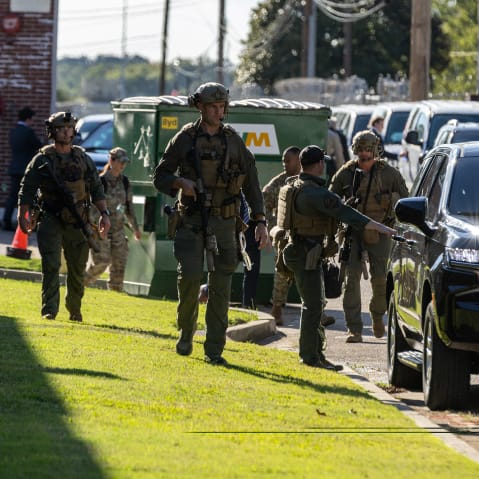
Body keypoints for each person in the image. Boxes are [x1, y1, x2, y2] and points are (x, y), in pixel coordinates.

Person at [153, 82, 268, 365]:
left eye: (222, 107)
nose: (219, 112)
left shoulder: (233, 141)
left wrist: (260, 220)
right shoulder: (185, 139)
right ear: (201, 108)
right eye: (213, 107)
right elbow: (161, 176)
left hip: (226, 223)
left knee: (221, 285)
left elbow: (252, 182)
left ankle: (214, 348)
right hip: (192, 220)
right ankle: (186, 331)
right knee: (190, 278)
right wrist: (181, 183)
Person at [278, 145, 396, 370]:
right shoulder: (315, 192)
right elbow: (347, 214)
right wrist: (381, 227)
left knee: (315, 304)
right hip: (306, 253)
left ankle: (316, 354)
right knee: (313, 306)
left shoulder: (295, 184)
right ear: (320, 164)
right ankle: (310, 356)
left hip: (299, 250)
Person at [17, 111, 111, 322]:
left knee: (77, 268)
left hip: (79, 219)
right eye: (61, 128)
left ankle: (74, 308)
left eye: (69, 128)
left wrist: (104, 214)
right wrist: (22, 213)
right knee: (51, 265)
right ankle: (49, 309)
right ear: (52, 131)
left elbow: (96, 188)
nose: (66, 132)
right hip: (50, 217)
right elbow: (27, 188)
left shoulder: (83, 158)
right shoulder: (42, 159)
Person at [329, 130, 409, 343]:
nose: (364, 157)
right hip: (352, 233)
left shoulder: (389, 174)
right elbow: (330, 199)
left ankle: (377, 315)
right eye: (360, 152)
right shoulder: (346, 173)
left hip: (381, 231)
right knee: (351, 280)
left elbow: (406, 200)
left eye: (368, 152)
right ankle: (354, 328)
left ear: (376, 151)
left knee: (381, 280)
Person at [84, 147, 141, 291]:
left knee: (119, 263)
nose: (123, 165)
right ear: (111, 161)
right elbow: (91, 208)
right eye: (120, 162)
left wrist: (135, 228)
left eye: (125, 162)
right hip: (101, 230)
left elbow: (129, 208)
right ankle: (79, 284)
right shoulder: (100, 182)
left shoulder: (125, 182)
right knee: (101, 263)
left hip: (118, 231)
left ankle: (116, 291)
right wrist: (94, 228)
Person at [262, 146, 301, 325]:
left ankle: (319, 312)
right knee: (282, 273)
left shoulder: (308, 180)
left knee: (312, 273)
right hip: (285, 236)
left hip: (306, 233)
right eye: (283, 161)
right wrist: (273, 227)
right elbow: (265, 204)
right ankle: (277, 308)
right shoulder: (279, 183)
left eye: (288, 160)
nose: (284, 164)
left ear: (299, 161)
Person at [2, 107, 43, 231]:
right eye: (32, 119)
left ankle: (6, 221)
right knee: (31, 196)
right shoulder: (28, 132)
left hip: (14, 167)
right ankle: (31, 223)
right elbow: (38, 146)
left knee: (13, 196)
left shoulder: (13, 132)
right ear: (28, 118)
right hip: (26, 169)